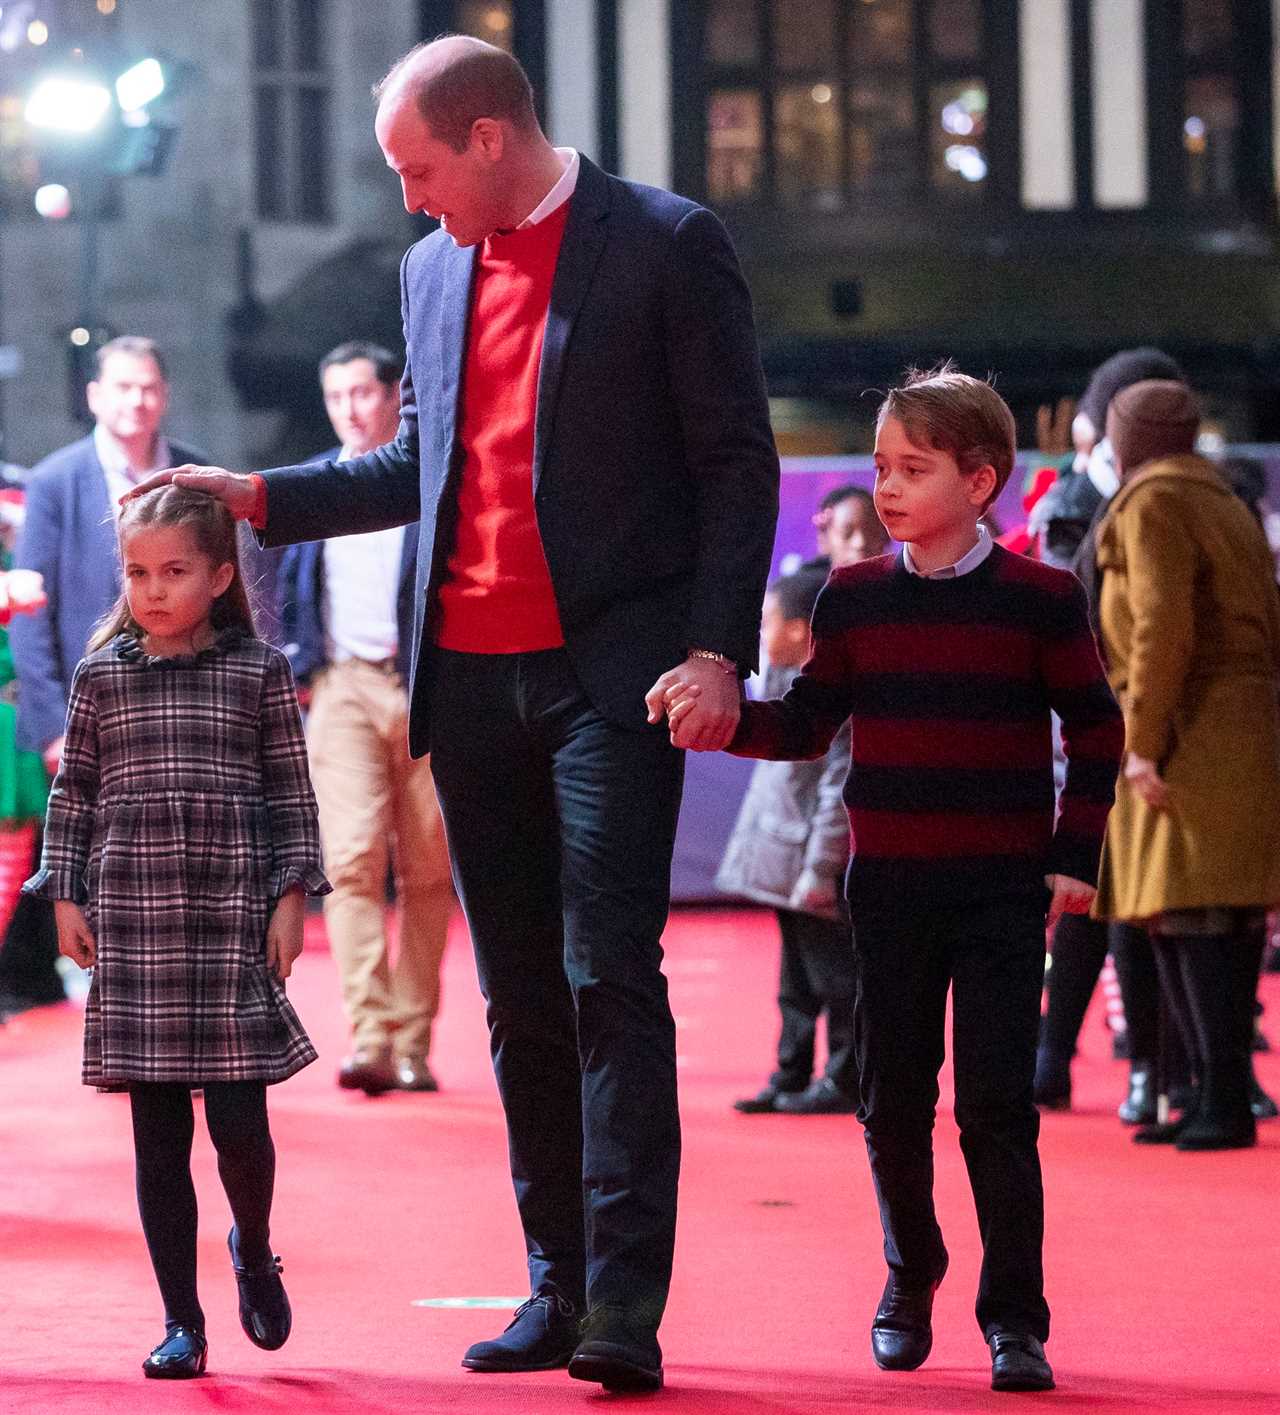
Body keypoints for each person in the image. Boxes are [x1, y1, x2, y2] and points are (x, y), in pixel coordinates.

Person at [127, 35, 778, 1393]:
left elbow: (735, 461)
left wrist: (721, 650)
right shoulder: (432, 269)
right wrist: (260, 493)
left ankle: (623, 1304)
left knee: (610, 974)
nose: (410, 200)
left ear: (488, 137)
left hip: (617, 674)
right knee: (521, 995)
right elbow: (423, 462)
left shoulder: (665, 242)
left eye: (418, 167)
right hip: (471, 680)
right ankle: (553, 1279)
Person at [654, 366, 1124, 1394]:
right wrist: (731, 714)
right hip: (890, 889)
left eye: (913, 468)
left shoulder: (1041, 600)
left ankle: (1014, 1317)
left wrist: (1069, 856)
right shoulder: (853, 598)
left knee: (997, 1109)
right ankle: (908, 1272)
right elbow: (809, 724)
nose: (887, 487)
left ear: (982, 480)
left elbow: (1096, 728)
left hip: (1002, 889)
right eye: (879, 466)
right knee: (890, 1097)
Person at [23, 486, 329, 1378]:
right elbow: (72, 793)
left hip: (230, 916)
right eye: (137, 572)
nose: (152, 589)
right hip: (135, 919)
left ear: (221, 574)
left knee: (240, 1128)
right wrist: (64, 894)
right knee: (158, 1135)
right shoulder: (102, 675)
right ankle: (181, 1320)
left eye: (175, 571)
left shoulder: (259, 671)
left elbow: (289, 793)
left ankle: (254, 1242)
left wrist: (290, 896)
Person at [1093, 380, 1280, 1151]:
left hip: (1181, 726)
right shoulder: (1225, 498)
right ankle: (1217, 1091)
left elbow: (1160, 624)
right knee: (1229, 917)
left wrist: (1141, 740)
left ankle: (1217, 1097)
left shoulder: (1152, 502)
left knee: (1187, 912)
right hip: (1243, 726)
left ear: (1127, 435)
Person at [279, 341, 452, 1096]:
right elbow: (282, 582)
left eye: (362, 394)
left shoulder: (430, 477)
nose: (350, 410)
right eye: (335, 397)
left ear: (393, 397)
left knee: (428, 868)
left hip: (427, 686)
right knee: (348, 863)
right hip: (341, 688)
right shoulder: (320, 484)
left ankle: (413, 1041)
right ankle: (371, 1036)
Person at [719, 568, 857, 1116]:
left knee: (837, 981)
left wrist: (821, 871)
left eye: (768, 620)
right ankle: (790, 1071)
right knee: (794, 983)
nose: (760, 631)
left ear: (802, 632)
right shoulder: (781, 682)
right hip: (783, 861)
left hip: (811, 866)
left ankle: (845, 1078)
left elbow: (836, 792)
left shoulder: (834, 701)